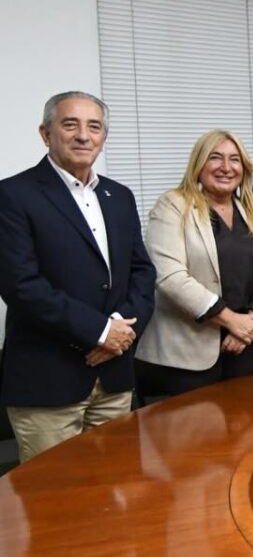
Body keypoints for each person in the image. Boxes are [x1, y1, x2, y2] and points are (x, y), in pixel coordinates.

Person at [0, 92, 156, 462]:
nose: (84, 135)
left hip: (114, 376)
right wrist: (101, 331)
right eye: (70, 124)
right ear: (46, 133)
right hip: (49, 382)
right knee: (55, 505)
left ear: (103, 136)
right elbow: (22, 286)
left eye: (94, 126)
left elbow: (142, 272)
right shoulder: (12, 195)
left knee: (116, 491)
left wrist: (119, 332)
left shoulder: (119, 196)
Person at [135, 130, 253, 395]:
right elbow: (169, 276)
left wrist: (251, 322)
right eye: (215, 158)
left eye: (234, 160)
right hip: (185, 357)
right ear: (199, 164)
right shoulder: (172, 206)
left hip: (246, 348)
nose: (226, 168)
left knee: (250, 432)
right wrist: (230, 320)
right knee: (195, 435)